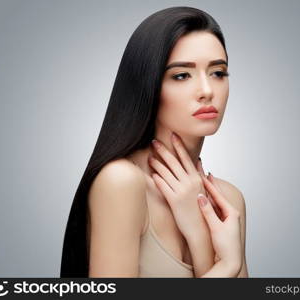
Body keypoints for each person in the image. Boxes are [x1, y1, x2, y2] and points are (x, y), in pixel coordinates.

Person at [60, 6, 248, 278]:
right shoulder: (121, 182)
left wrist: (198, 235)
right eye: (181, 75)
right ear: (147, 85)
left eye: (218, 72)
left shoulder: (229, 201)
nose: (207, 91)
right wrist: (227, 266)